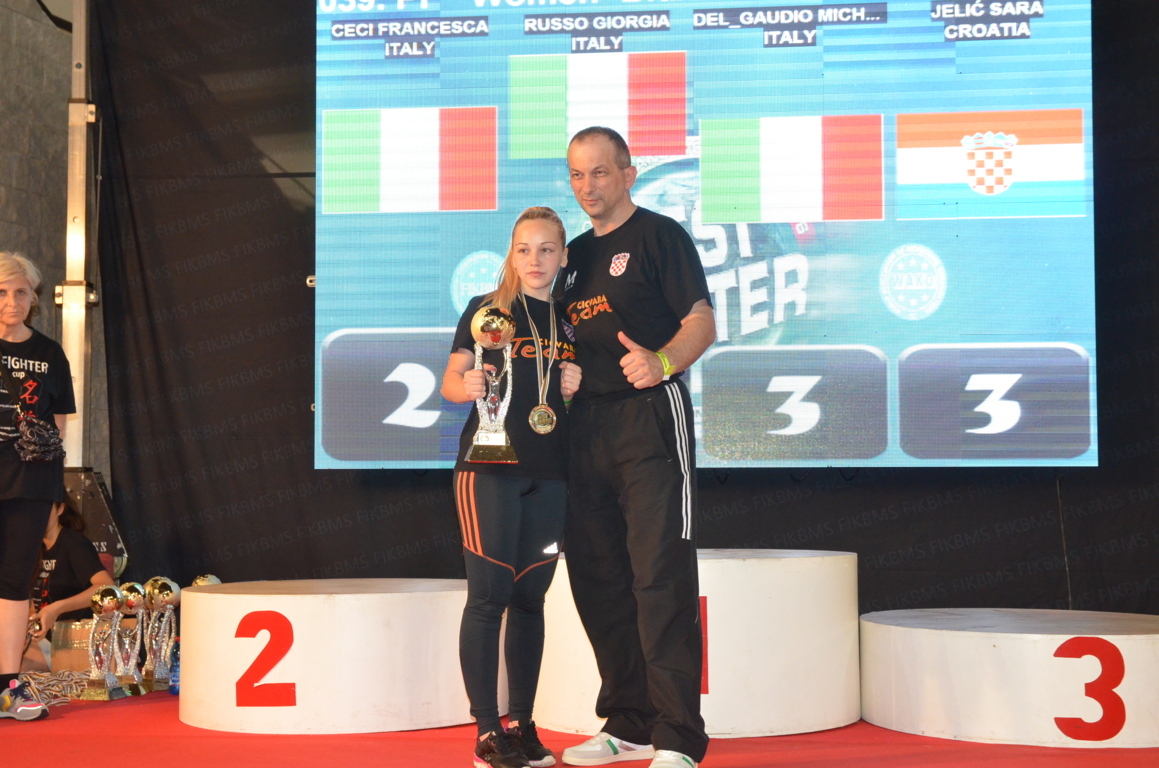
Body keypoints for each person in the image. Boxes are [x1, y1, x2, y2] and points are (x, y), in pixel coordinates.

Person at [556, 128, 716, 768]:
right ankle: (628, 722)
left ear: (628, 173)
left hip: (650, 419)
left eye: (599, 172)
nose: (587, 186)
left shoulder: (659, 236)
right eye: (577, 175)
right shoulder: (570, 257)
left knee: (659, 577)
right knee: (600, 579)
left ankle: (677, 736)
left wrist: (663, 361)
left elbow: (701, 320)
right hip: (583, 430)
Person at [442, 207, 583, 768]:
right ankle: (485, 731)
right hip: (489, 470)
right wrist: (466, 385)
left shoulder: (571, 322)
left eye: (546, 249)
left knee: (530, 600)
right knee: (488, 598)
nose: (535, 260)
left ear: (563, 256)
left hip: (550, 474)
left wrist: (573, 388)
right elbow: (451, 381)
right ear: (511, 254)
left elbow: (573, 401)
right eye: (524, 249)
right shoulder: (487, 311)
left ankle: (522, 725)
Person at [0, 252, 75, 721]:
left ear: (34, 298)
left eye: (21, 292)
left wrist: (47, 480)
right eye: (2, 292)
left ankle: (7, 687)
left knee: (13, 582)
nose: (12, 301)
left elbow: (60, 423)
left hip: (30, 482)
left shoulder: (49, 353)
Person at [23, 495, 114, 671]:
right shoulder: (32, 547)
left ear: (60, 509)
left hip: (73, 642)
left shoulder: (73, 543)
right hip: (43, 640)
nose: (37, 516)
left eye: (44, 509)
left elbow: (106, 588)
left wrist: (57, 608)